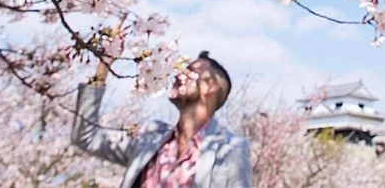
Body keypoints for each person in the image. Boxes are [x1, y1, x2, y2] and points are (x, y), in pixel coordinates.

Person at [71, 50, 253, 187]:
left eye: (190, 70)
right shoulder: (149, 137)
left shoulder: (231, 149)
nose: (178, 74)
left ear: (210, 86)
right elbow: (87, 137)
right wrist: (102, 71)